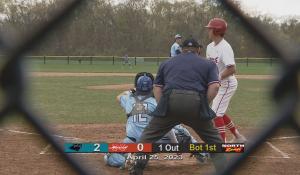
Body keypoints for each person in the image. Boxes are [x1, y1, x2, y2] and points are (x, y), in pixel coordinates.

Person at [129, 39, 226, 175]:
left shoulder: (167, 62)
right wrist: (203, 104)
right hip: (195, 102)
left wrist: (163, 106)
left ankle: (137, 168)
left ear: (181, 49)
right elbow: (215, 86)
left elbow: (157, 87)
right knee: (214, 140)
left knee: (147, 137)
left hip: (170, 101)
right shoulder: (209, 64)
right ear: (198, 50)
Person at [104, 72, 207, 169]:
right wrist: (175, 145)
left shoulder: (128, 99)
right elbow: (167, 128)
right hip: (154, 142)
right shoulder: (156, 102)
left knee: (109, 154)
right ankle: (203, 154)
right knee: (181, 130)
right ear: (152, 87)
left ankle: (128, 160)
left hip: (132, 142)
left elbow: (118, 97)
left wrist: (132, 90)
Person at [205, 18, 247, 143]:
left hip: (227, 84)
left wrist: (217, 78)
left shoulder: (225, 47)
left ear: (216, 31)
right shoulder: (209, 47)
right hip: (217, 84)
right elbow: (209, 66)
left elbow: (232, 68)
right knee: (219, 112)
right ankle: (238, 137)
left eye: (210, 28)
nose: (208, 30)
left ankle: (221, 145)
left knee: (216, 114)